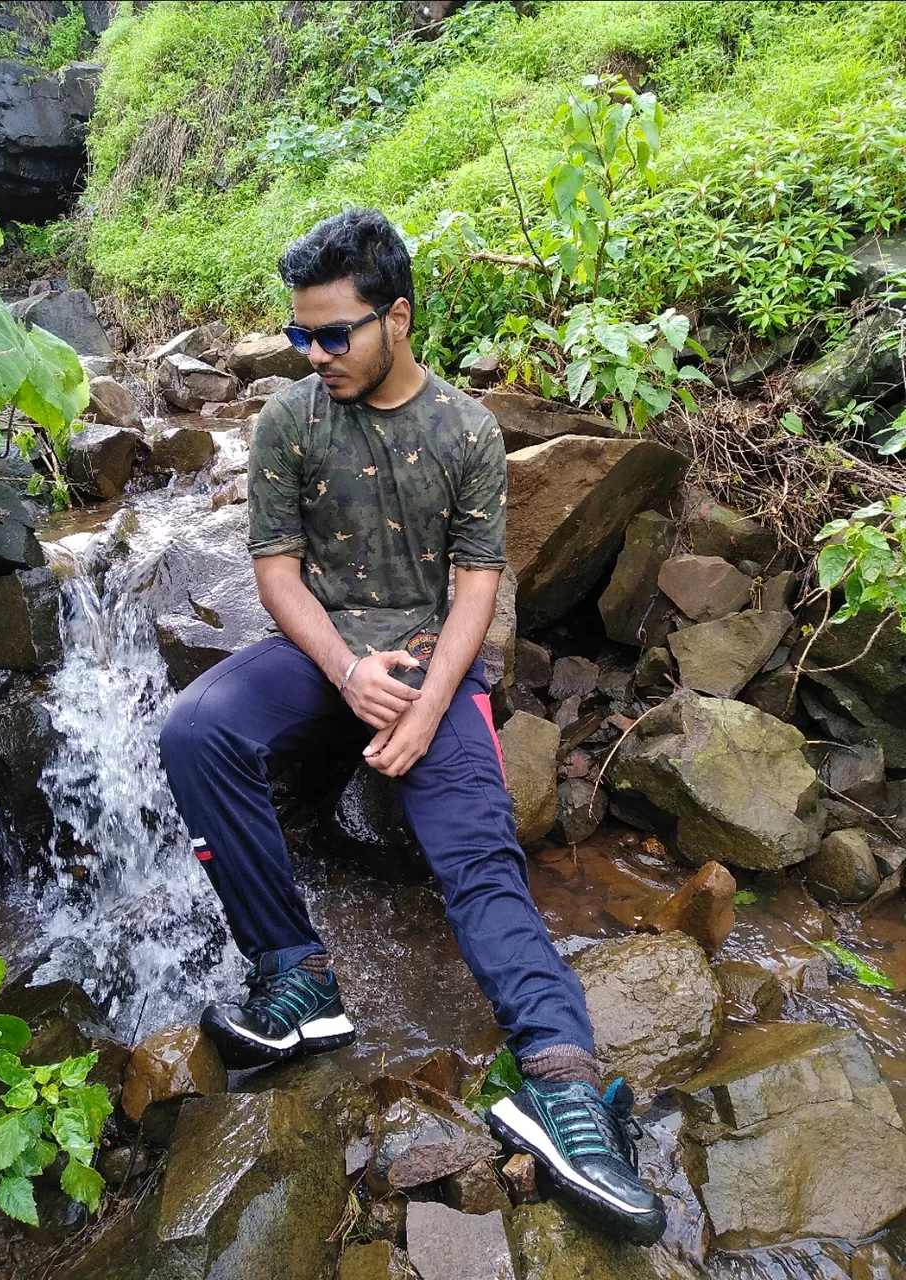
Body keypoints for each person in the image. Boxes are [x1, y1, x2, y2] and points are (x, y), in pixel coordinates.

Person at [159, 209, 665, 1246]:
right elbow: (275, 571)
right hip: (321, 652)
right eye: (301, 333)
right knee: (195, 728)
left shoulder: (467, 430)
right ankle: (297, 977)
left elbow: (482, 578)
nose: (312, 353)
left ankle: (563, 1085)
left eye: (333, 333)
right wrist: (347, 670)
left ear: (397, 316)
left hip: (434, 668)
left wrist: (430, 696)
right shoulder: (290, 419)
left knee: (478, 856)